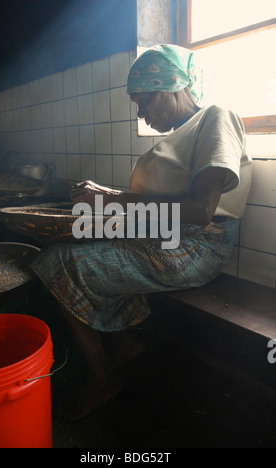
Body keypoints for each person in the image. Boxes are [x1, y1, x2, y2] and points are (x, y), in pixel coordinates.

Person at [31, 44, 252, 420]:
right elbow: (150, 205)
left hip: (194, 247)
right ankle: (126, 343)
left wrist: (114, 199)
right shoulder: (176, 137)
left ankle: (102, 379)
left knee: (57, 263)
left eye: (144, 101)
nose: (142, 115)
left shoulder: (215, 117)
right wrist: (106, 202)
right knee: (75, 243)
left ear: (171, 88)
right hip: (161, 234)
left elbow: (201, 211)